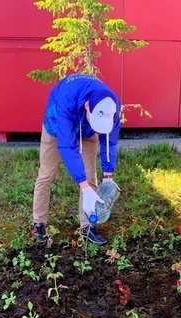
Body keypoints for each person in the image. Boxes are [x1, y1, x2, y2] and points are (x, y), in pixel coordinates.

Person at [32, 73, 121, 245]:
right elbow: (67, 146)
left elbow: (109, 142)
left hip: (86, 131)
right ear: (87, 106)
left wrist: (108, 176)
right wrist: (83, 185)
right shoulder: (67, 98)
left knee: (91, 176)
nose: (100, 129)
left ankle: (87, 226)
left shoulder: (112, 106)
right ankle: (38, 224)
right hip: (56, 127)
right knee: (46, 175)